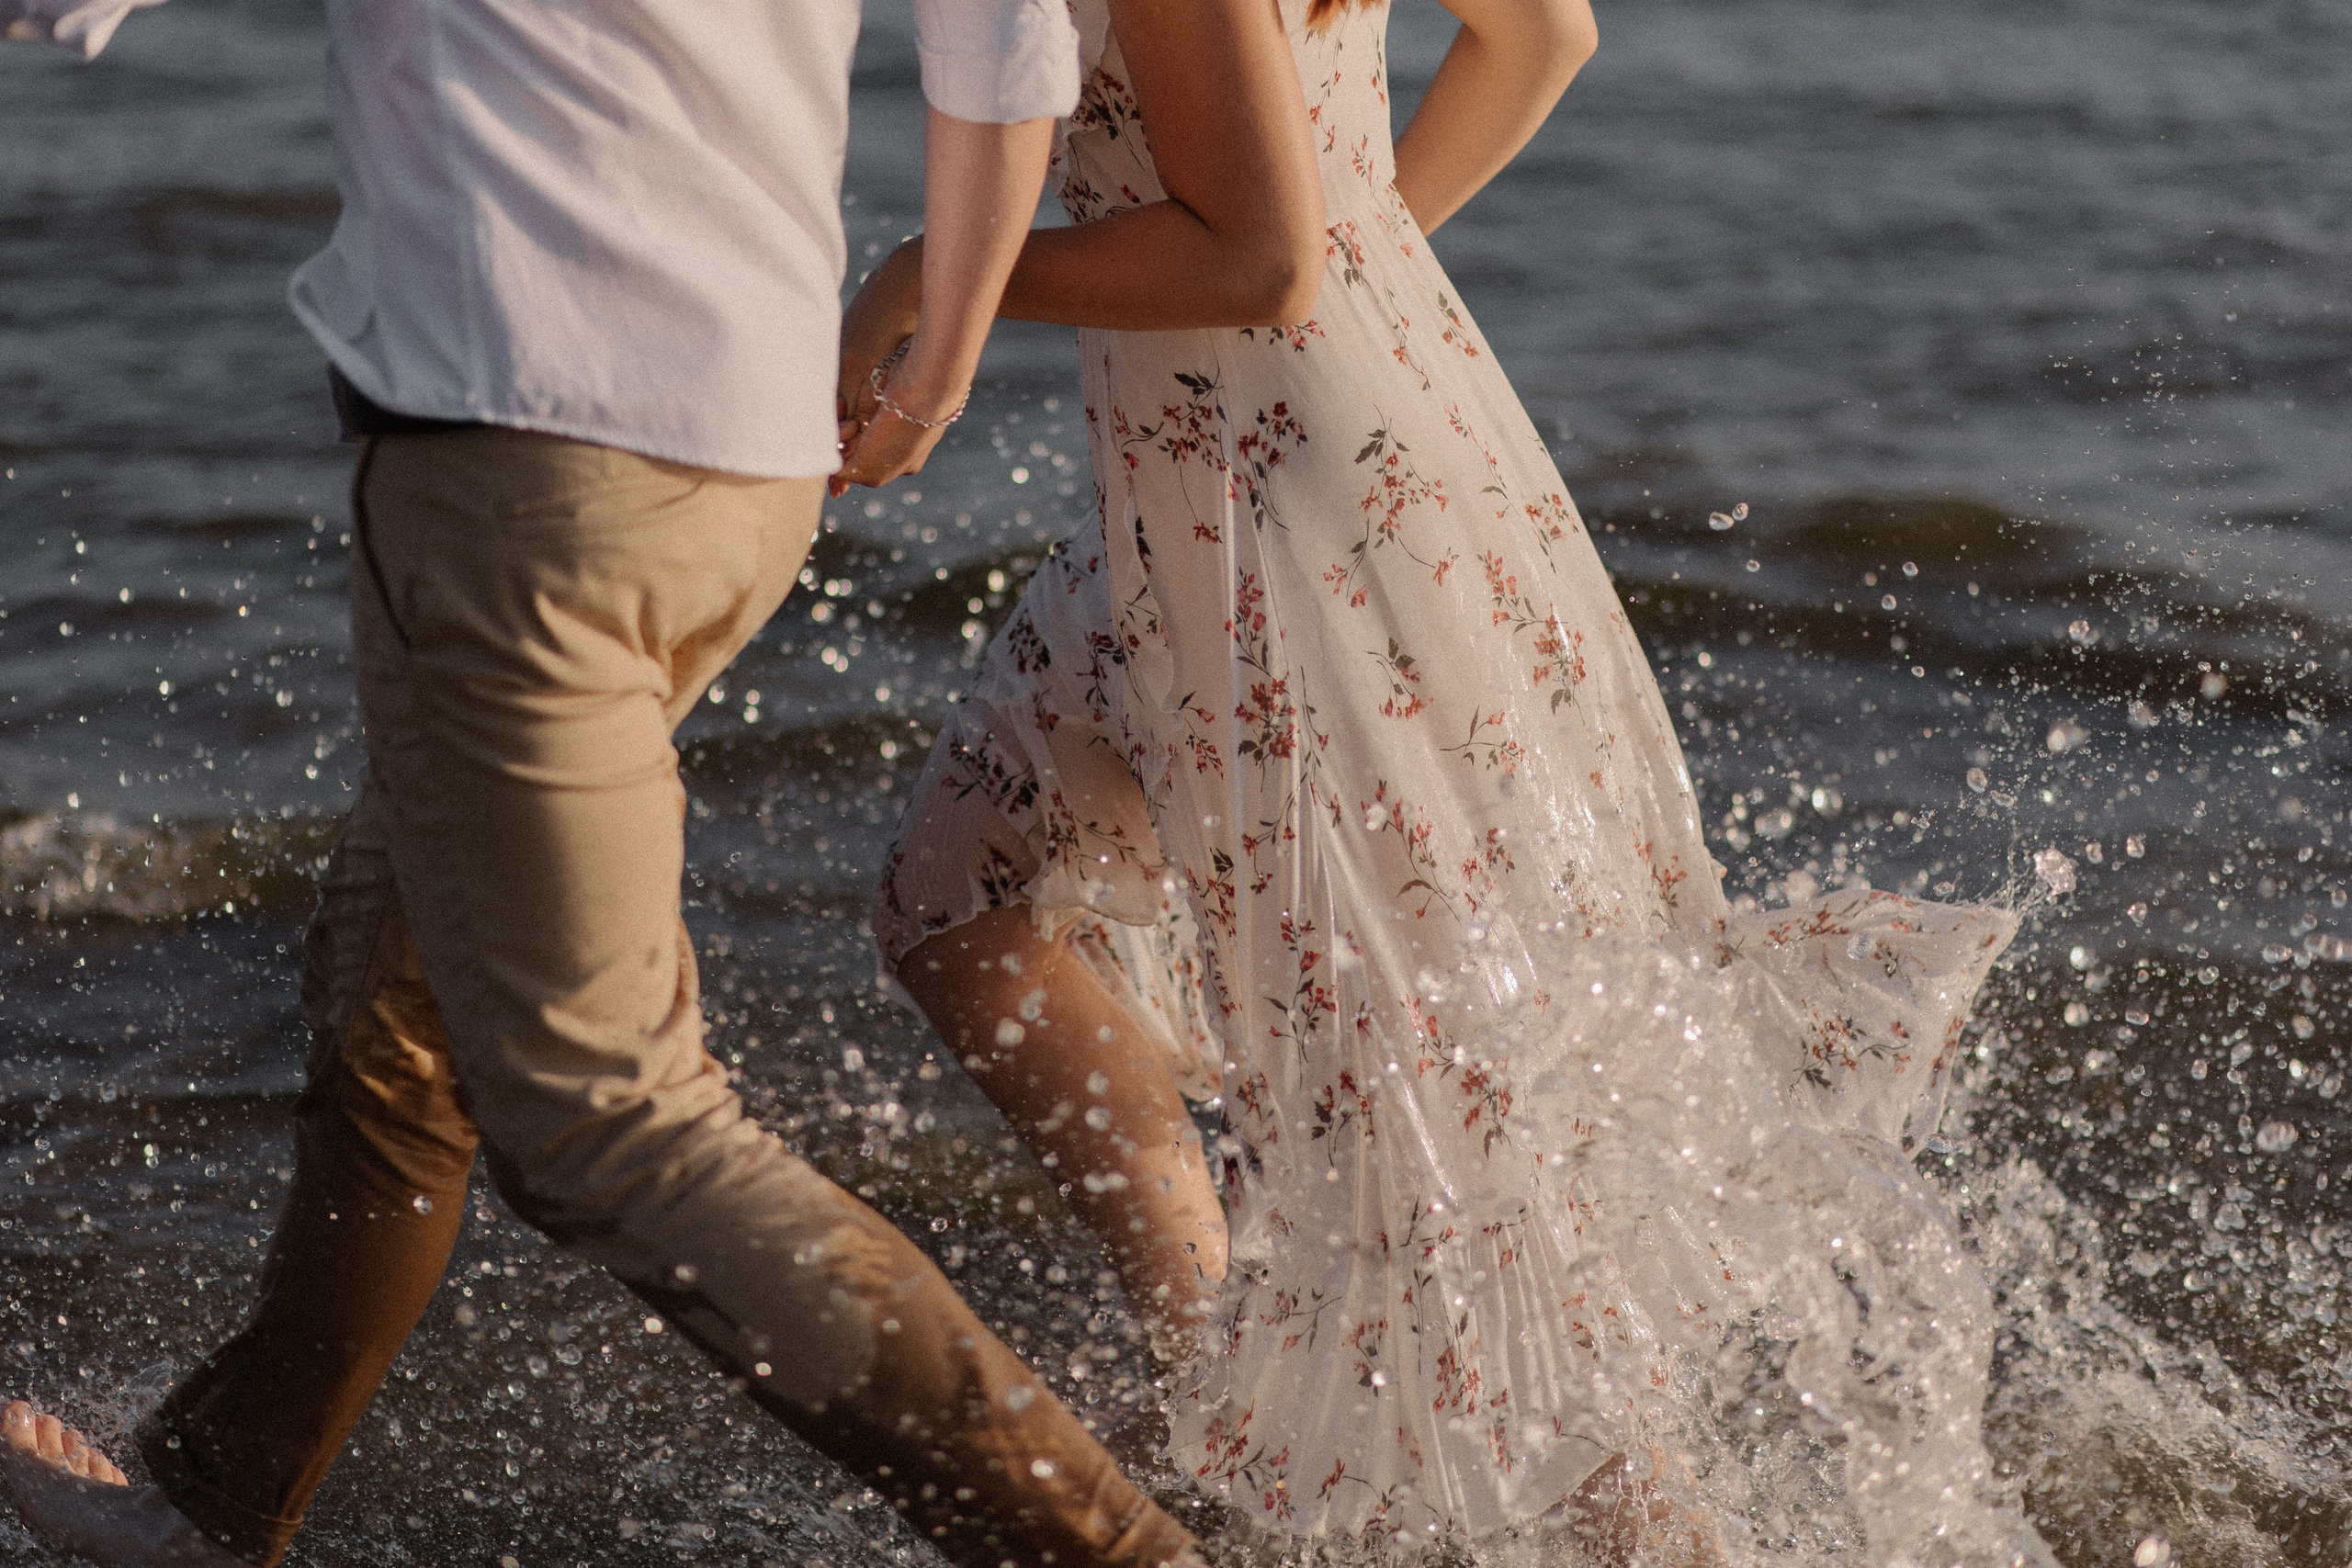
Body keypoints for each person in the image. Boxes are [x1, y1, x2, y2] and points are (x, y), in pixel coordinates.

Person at [0, 0, 1328, 1563]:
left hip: (522, 464)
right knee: (398, 986)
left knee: (608, 1122)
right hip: (743, 457)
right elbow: (1004, 38)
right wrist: (942, 360)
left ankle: (1114, 1553)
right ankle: (224, 1497)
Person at [850, 0, 2027, 1558]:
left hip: (1281, 502)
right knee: (967, 899)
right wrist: (1364, 263)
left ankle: (1649, 1536)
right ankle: (1212, 1382)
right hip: (1309, 440)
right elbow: (1543, 36)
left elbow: (1256, 261)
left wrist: (936, 281)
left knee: (1426, 1126)